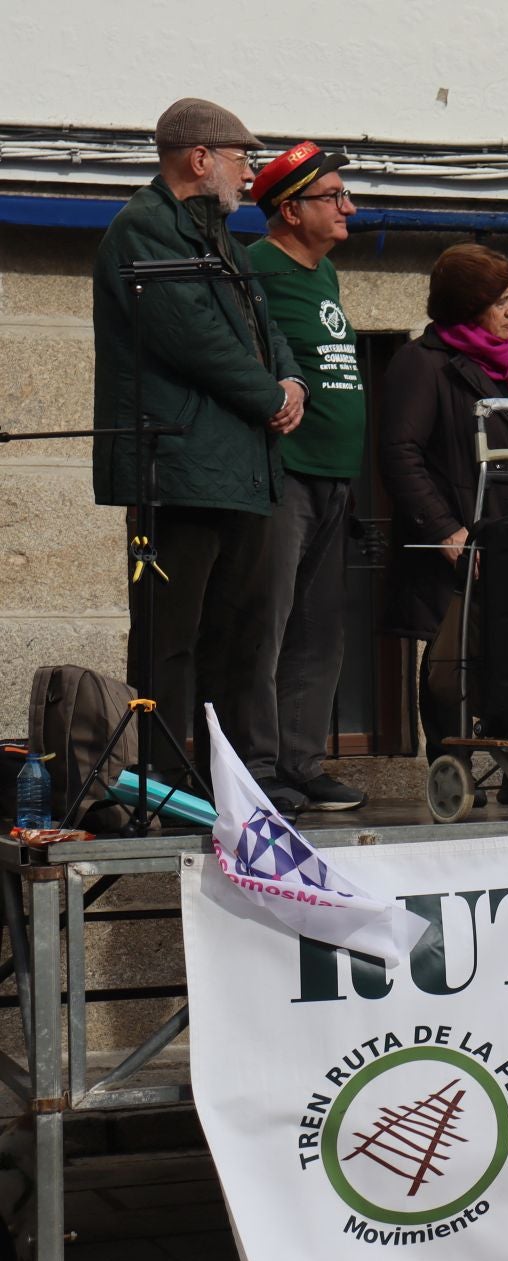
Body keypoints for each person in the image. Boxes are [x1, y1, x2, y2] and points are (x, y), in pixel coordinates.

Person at [92, 98, 306, 793]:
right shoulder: (143, 230)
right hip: (178, 471)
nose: (251, 175)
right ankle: (160, 783)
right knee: (168, 642)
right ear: (200, 158)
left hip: (241, 470)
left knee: (238, 639)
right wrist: (268, 396)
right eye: (243, 158)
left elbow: (264, 328)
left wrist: (293, 379)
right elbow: (194, 339)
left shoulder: (225, 242)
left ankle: (238, 785)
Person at [380, 244, 508, 789]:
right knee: (454, 656)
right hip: (463, 538)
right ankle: (453, 764)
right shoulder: (421, 364)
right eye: (502, 302)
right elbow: (401, 453)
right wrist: (445, 529)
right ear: (469, 306)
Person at [247, 142, 368, 812]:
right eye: (333, 197)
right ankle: (258, 767)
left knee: (322, 629)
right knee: (268, 623)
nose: (349, 207)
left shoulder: (325, 276)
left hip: (334, 477)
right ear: (289, 211)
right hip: (284, 475)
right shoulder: (255, 268)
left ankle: (302, 761)